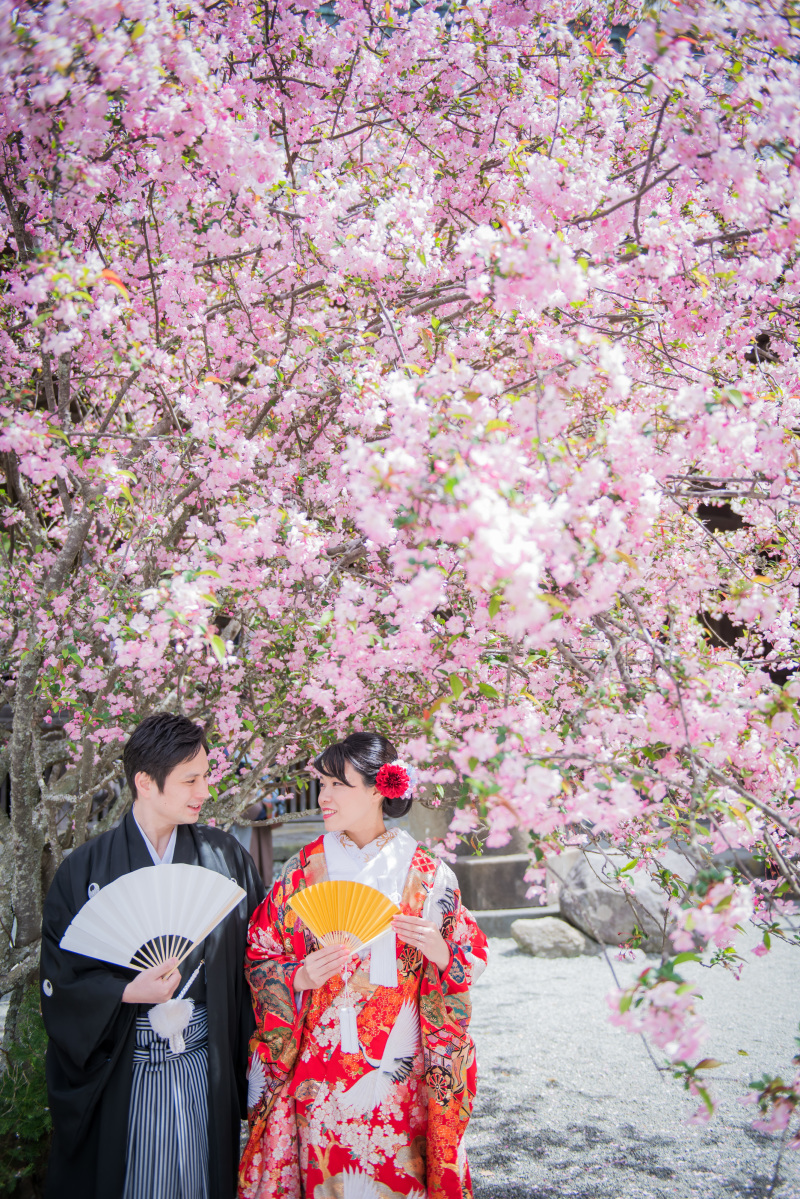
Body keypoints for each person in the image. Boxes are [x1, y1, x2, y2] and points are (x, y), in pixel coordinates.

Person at [239, 732, 489, 1199]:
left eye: (338, 784)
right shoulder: (303, 869)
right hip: (321, 1068)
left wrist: (439, 951)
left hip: (400, 1068)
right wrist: (298, 976)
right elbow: (260, 949)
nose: (324, 796)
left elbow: (471, 954)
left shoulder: (427, 873)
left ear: (379, 789)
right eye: (323, 783)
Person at [39, 713, 266, 1199]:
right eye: (191, 779)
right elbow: (60, 980)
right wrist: (123, 992)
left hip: (204, 1064)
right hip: (128, 1066)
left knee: (201, 1180)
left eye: (205, 776)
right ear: (145, 782)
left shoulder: (225, 859)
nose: (204, 791)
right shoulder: (84, 871)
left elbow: (258, 963)